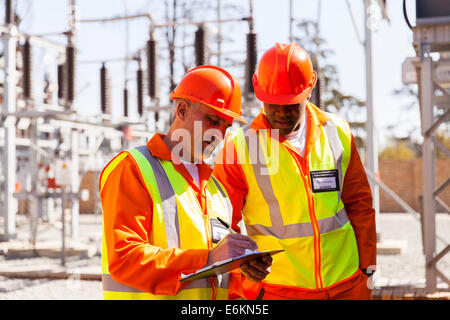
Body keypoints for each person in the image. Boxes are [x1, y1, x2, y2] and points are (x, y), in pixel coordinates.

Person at [212, 43, 377, 300]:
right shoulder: (239, 148)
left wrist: (367, 267)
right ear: (260, 95)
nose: (280, 112)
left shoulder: (337, 132)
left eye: (290, 104)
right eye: (273, 103)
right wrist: (241, 266)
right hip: (281, 290)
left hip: (347, 283)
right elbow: (221, 224)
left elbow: (359, 204)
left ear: (309, 91)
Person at [99, 65, 272, 300]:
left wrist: (244, 272)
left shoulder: (216, 191)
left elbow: (221, 284)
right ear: (181, 110)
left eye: (226, 126)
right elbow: (124, 259)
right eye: (212, 120)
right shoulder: (133, 169)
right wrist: (209, 258)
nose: (219, 135)